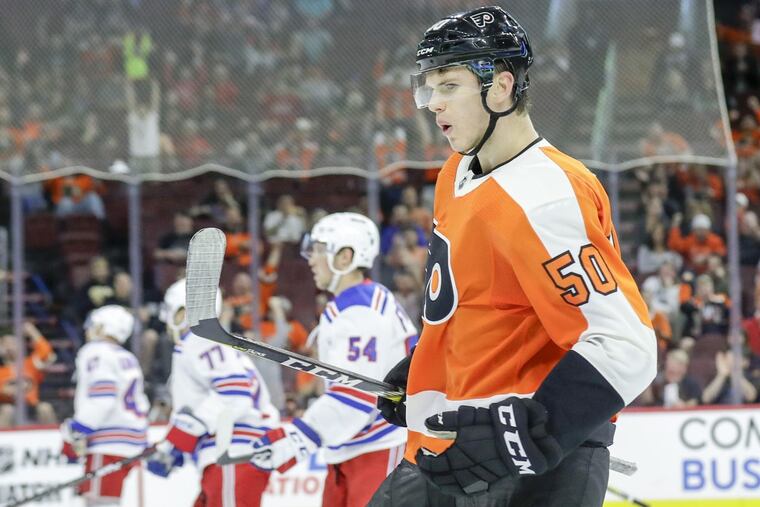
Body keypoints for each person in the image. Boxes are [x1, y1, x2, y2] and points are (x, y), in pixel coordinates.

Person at [371, 7, 657, 506]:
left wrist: (531, 433)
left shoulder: (546, 193)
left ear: (500, 87)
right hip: (447, 446)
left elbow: (624, 344)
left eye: (449, 86)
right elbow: (483, 300)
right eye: (429, 87)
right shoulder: (456, 173)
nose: (433, 105)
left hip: (524, 468)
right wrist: (426, 366)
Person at [244, 212, 418, 507]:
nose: (311, 259)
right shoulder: (352, 305)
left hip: (377, 450)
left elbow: (355, 398)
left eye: (319, 250)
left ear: (345, 256)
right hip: (352, 449)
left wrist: (297, 438)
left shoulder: (361, 312)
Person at [146, 279, 278, 507]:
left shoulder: (201, 341)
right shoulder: (207, 343)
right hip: (231, 454)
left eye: (171, 310)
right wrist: (177, 445)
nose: (165, 318)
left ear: (186, 311)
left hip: (233, 452)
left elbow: (235, 397)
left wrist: (182, 437)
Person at [60, 305, 148, 506]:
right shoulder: (127, 357)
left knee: (100, 502)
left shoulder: (95, 352)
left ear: (102, 328)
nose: (88, 330)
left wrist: (75, 431)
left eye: (93, 325)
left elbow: (102, 399)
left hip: (108, 443)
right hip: (131, 442)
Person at [0, 321, 57, 427]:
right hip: (6, 407)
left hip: (31, 406)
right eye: (4, 343)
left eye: (12, 343)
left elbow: (46, 352)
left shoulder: (30, 364)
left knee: (45, 408)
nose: (9, 347)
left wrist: (32, 331)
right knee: (7, 410)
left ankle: (54, 441)